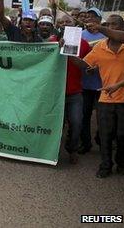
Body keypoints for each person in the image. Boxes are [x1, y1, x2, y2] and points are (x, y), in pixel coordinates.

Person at [69, 15, 124, 178]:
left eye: (114, 25)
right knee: (105, 135)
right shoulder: (100, 47)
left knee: (123, 136)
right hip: (106, 100)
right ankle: (106, 165)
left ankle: (121, 162)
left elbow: (118, 36)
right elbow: (85, 65)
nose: (110, 27)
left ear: (122, 28)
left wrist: (100, 27)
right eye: (107, 24)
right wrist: (68, 53)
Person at [53, 15, 91, 164]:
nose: (64, 24)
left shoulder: (84, 44)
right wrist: (56, 47)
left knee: (76, 123)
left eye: (68, 21)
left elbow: (88, 66)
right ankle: (53, 151)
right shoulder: (51, 42)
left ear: (74, 24)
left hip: (75, 92)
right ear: (57, 25)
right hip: (56, 93)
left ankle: (72, 149)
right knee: (56, 125)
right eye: (61, 22)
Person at [79, 7, 105, 154]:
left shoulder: (106, 35)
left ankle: (102, 141)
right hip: (84, 83)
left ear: (100, 20)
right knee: (85, 115)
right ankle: (85, 143)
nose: (90, 19)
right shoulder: (80, 35)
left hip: (102, 85)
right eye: (88, 16)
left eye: (94, 17)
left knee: (102, 116)